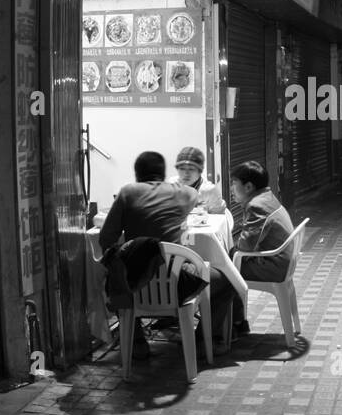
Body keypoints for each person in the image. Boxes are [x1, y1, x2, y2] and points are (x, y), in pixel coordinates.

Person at [99, 151, 235, 359]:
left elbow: (106, 239)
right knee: (227, 281)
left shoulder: (127, 192)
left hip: (135, 286)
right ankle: (202, 342)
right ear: (164, 174)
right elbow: (195, 196)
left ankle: (136, 342)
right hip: (178, 282)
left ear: (137, 174)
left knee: (116, 277)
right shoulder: (184, 193)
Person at [228, 160, 295, 337]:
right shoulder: (267, 197)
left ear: (248, 186)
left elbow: (246, 246)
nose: (231, 189)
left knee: (221, 272)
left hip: (273, 265)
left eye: (234, 183)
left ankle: (228, 329)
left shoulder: (257, 205)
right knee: (228, 261)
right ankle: (237, 322)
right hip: (282, 261)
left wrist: (231, 252)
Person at [172, 145, 226, 213]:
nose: (186, 173)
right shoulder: (171, 185)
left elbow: (219, 219)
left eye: (191, 169)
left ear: (200, 171)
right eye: (182, 169)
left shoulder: (210, 191)